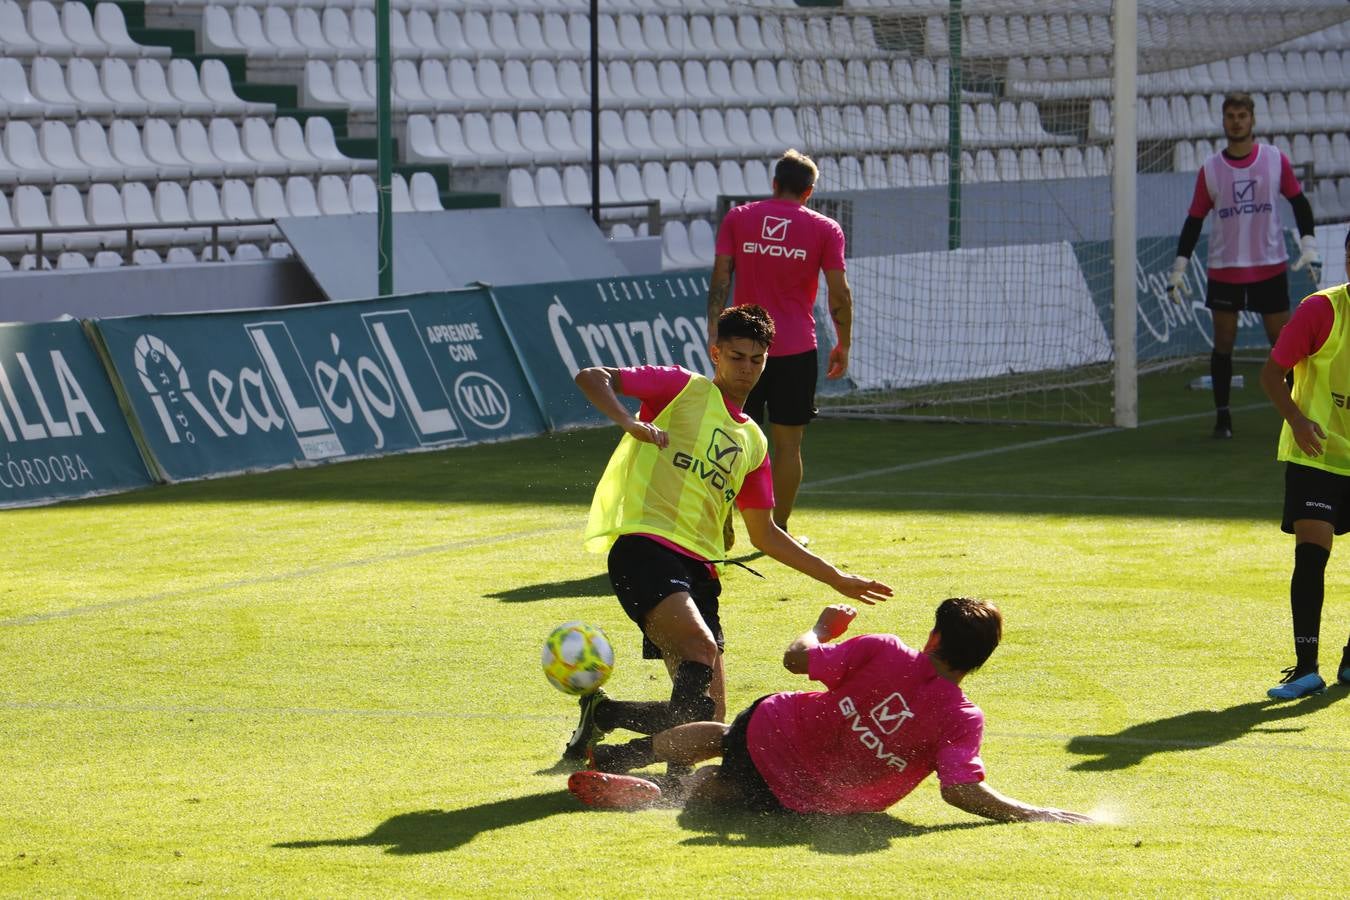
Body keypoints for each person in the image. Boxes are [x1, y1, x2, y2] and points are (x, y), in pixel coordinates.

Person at [564, 304, 892, 762]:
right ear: (715, 353)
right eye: (736, 357)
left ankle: (603, 716)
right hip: (644, 548)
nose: (747, 369)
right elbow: (590, 375)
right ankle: (618, 760)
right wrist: (628, 421)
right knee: (698, 649)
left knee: (708, 722)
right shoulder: (682, 387)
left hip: (700, 570)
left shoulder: (754, 442)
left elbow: (767, 534)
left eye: (756, 360)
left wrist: (838, 578)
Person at [585, 599, 1094, 824]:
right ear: (980, 660)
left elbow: (795, 658)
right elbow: (960, 789)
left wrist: (823, 628)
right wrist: (1033, 812)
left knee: (724, 733)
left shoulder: (886, 649)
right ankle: (664, 794)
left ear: (935, 637)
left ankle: (630, 754)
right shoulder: (963, 718)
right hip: (809, 796)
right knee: (725, 790)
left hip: (773, 731)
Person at [707, 148, 853, 540]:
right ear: (808, 192)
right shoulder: (825, 228)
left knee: (727, 438)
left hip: (740, 349)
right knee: (788, 446)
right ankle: (779, 529)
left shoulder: (739, 218)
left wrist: (714, 333)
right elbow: (839, 293)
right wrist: (843, 343)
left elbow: (720, 276)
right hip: (794, 349)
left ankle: (721, 522)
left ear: (774, 184)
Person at [1166, 91, 1320, 440]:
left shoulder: (1274, 160)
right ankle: (1223, 417)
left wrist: (1309, 243)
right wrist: (1180, 266)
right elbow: (1194, 220)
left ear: (1252, 119)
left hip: (1269, 265)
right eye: (1230, 116)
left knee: (1283, 343)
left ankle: (1302, 412)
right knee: (1224, 341)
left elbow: (1299, 202)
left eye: (1242, 115)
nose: (1236, 121)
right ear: (1224, 121)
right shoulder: (1210, 169)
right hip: (1225, 268)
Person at [1257, 229, 1350, 699]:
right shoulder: (1322, 310)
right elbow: (1272, 374)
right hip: (1316, 455)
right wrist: (1295, 420)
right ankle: (1307, 667)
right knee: (1312, 556)